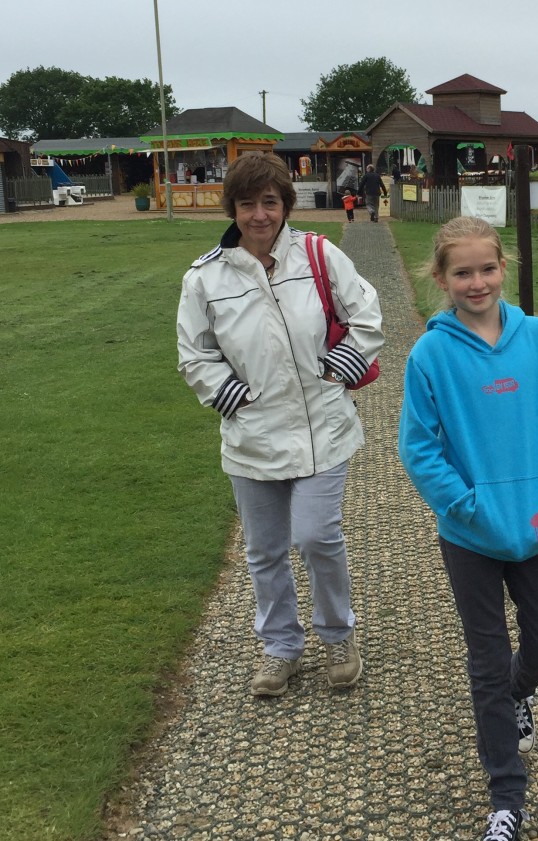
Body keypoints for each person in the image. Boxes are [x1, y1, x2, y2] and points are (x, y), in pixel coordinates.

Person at [398, 216, 538, 841]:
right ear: (441, 278)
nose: (476, 282)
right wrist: (463, 505)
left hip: (536, 527)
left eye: (486, 268)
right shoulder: (431, 355)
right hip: (472, 537)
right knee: (484, 661)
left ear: (505, 268)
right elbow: (419, 448)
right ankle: (506, 799)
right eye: (461, 272)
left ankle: (516, 693)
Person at [176, 153, 384, 697]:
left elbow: (366, 311)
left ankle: (338, 633)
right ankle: (280, 646)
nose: (260, 215)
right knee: (264, 549)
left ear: (285, 204)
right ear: (234, 209)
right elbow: (194, 352)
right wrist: (227, 393)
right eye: (248, 204)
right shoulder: (205, 277)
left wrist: (348, 361)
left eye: (270, 202)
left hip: (323, 427)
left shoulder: (318, 253)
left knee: (316, 536)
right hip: (252, 434)